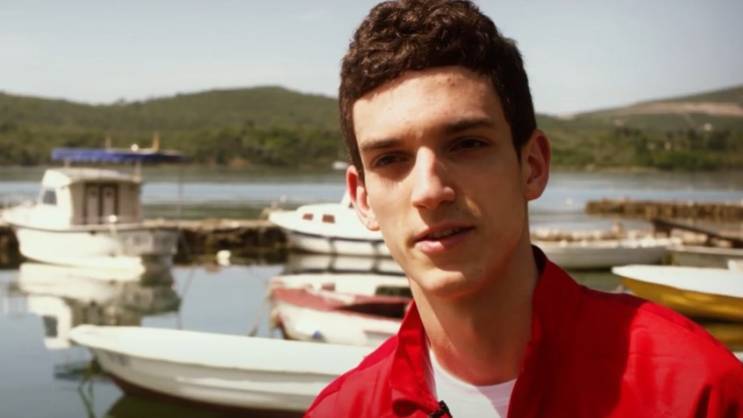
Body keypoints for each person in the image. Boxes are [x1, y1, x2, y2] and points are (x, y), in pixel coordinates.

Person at [305, 1, 743, 417]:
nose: (430, 190)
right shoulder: (342, 411)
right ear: (363, 199)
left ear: (532, 166)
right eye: (390, 159)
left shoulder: (697, 393)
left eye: (467, 144)